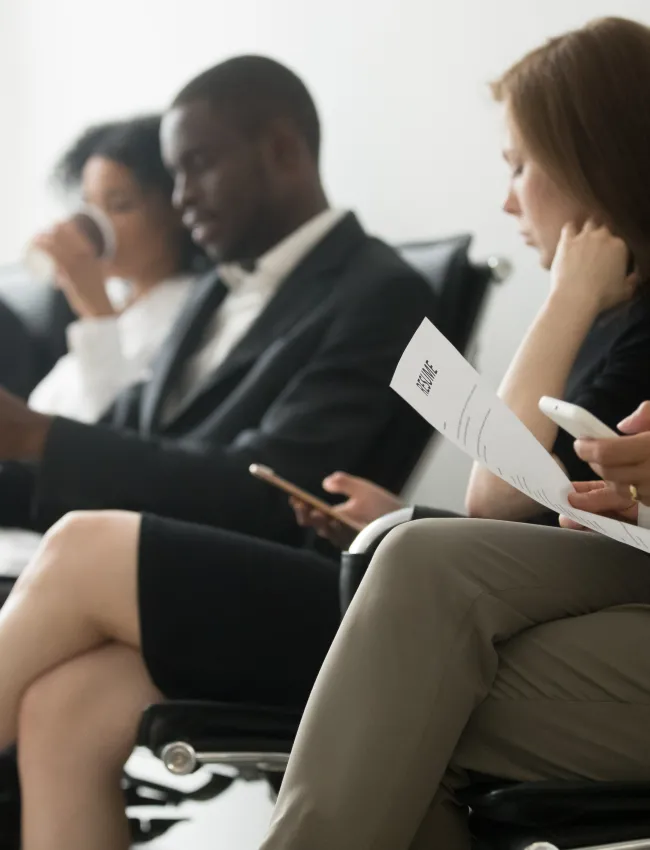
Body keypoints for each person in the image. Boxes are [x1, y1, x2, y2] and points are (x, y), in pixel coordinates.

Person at [252, 18, 650, 849]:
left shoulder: (623, 322)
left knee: (397, 687)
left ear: (592, 161)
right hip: (596, 588)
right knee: (401, 648)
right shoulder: (620, 322)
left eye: (519, 166)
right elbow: (520, 507)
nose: (508, 199)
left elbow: (496, 499)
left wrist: (565, 296)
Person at [0, 56, 435, 545]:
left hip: (242, 571)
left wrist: (39, 434)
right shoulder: (214, 288)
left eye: (198, 166)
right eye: (174, 175)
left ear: (283, 152)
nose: (182, 198)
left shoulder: (380, 292)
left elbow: (273, 490)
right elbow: (134, 434)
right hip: (136, 546)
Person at [28, 115, 205, 424]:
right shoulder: (117, 303)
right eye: (89, 204)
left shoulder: (192, 311)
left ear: (176, 208)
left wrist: (97, 312)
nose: (98, 223)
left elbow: (118, 437)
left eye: (119, 206)